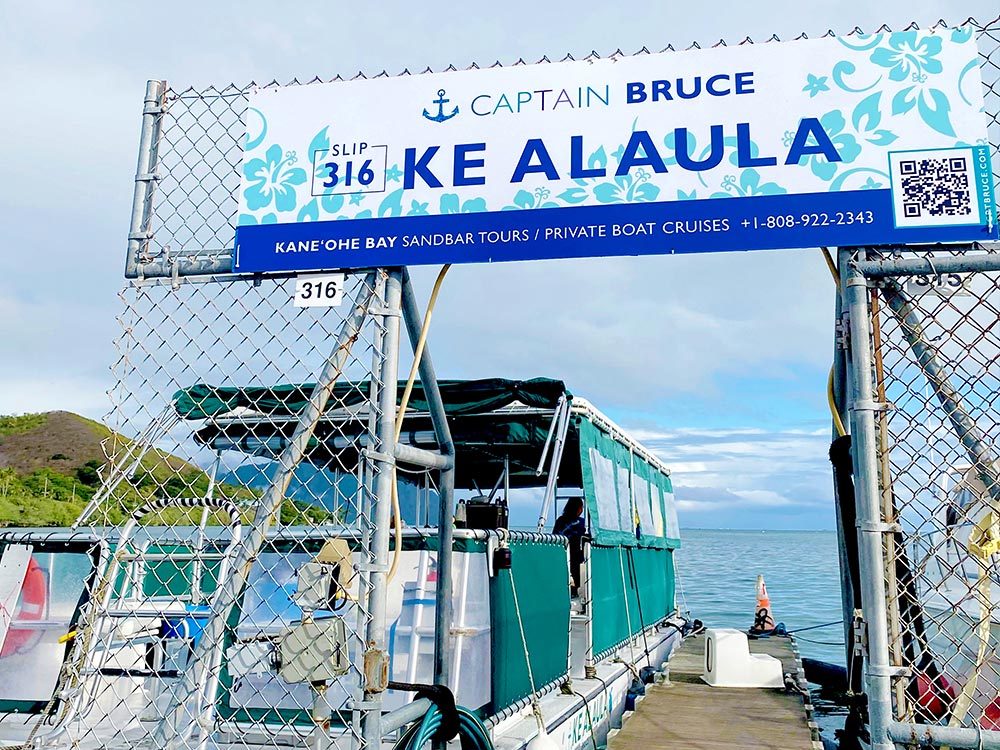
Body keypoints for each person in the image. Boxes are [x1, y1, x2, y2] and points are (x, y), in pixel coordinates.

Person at [552, 497, 586, 596]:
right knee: (578, 574)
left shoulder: (560, 520)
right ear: (579, 508)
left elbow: (554, 536)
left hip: (561, 553)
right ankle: (576, 591)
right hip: (576, 555)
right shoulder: (581, 523)